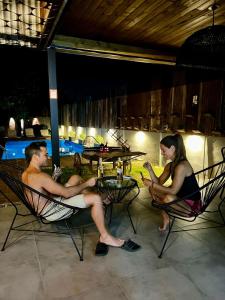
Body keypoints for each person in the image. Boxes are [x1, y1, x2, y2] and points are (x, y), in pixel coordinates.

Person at [22, 141, 140, 255]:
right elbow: (66, 194)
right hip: (53, 210)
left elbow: (42, 191)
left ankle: (100, 201)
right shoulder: (40, 176)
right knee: (94, 198)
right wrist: (87, 184)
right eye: (45, 155)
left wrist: (53, 178)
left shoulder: (27, 173)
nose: (48, 157)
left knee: (75, 178)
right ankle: (105, 236)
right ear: (35, 157)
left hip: (48, 204)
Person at [142, 134, 201, 231]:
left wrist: (152, 184)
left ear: (173, 148)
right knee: (153, 189)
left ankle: (187, 212)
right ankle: (165, 217)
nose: (162, 153)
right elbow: (159, 183)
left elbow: (173, 191)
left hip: (191, 204)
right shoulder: (170, 165)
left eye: (163, 150)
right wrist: (150, 170)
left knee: (168, 197)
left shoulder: (182, 166)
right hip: (180, 199)